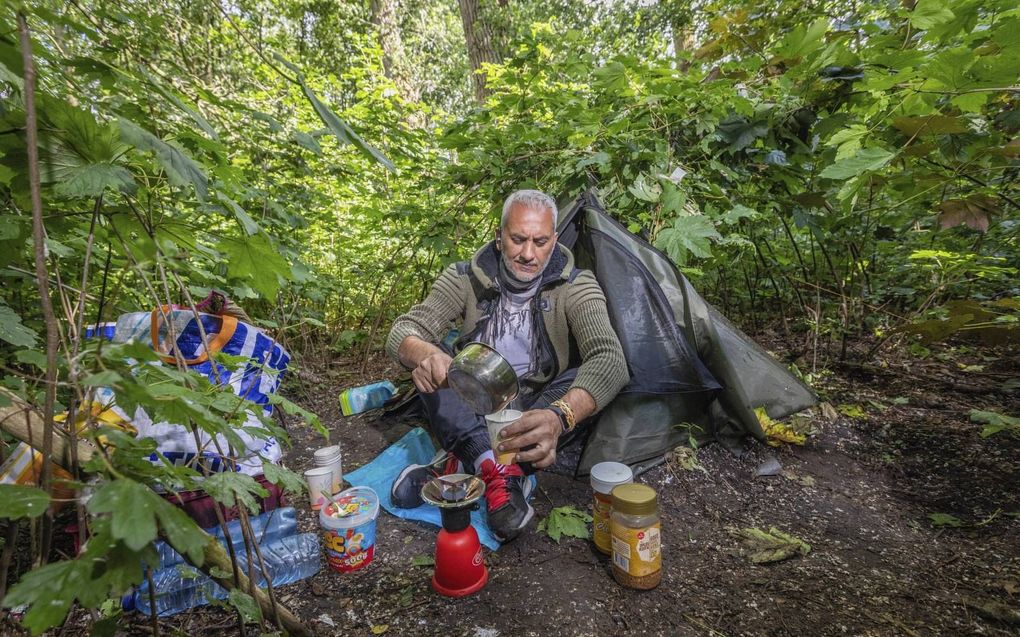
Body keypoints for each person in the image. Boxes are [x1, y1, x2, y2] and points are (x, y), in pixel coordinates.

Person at [385, 189, 629, 541]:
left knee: (583, 376)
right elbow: (403, 330)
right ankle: (496, 470)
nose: (528, 254)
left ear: (554, 241)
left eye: (540, 241)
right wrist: (425, 355)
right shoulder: (465, 277)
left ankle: (460, 467)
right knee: (436, 358)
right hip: (473, 397)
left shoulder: (576, 284)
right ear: (499, 238)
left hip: (534, 406)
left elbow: (610, 358)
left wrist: (560, 417)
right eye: (517, 239)